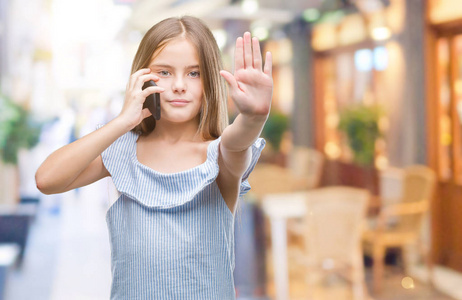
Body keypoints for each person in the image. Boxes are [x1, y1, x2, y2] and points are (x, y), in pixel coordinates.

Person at [35, 16, 272, 299]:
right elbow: (46, 179)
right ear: (143, 77)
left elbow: (237, 141)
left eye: (194, 73)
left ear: (209, 81)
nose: (180, 85)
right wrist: (123, 121)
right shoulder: (123, 150)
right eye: (165, 72)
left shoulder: (218, 156)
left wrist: (253, 117)